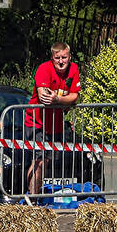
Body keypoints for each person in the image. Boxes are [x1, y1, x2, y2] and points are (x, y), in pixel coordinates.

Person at [22, 42, 81, 201]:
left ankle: (37, 195)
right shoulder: (44, 69)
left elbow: (75, 96)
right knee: (40, 161)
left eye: (64, 58)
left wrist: (59, 99)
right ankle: (32, 198)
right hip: (36, 122)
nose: (61, 62)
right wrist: (62, 101)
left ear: (69, 57)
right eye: (57, 58)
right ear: (52, 58)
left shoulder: (74, 69)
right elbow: (44, 96)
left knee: (49, 162)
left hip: (56, 124)